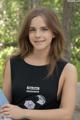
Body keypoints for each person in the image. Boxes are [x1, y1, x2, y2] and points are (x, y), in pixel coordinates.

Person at [0, 7, 77, 120]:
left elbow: (66, 114)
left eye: (44, 29)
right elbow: (4, 107)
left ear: (54, 33)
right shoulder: (12, 63)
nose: (37, 35)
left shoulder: (67, 69)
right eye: (32, 30)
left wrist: (23, 113)